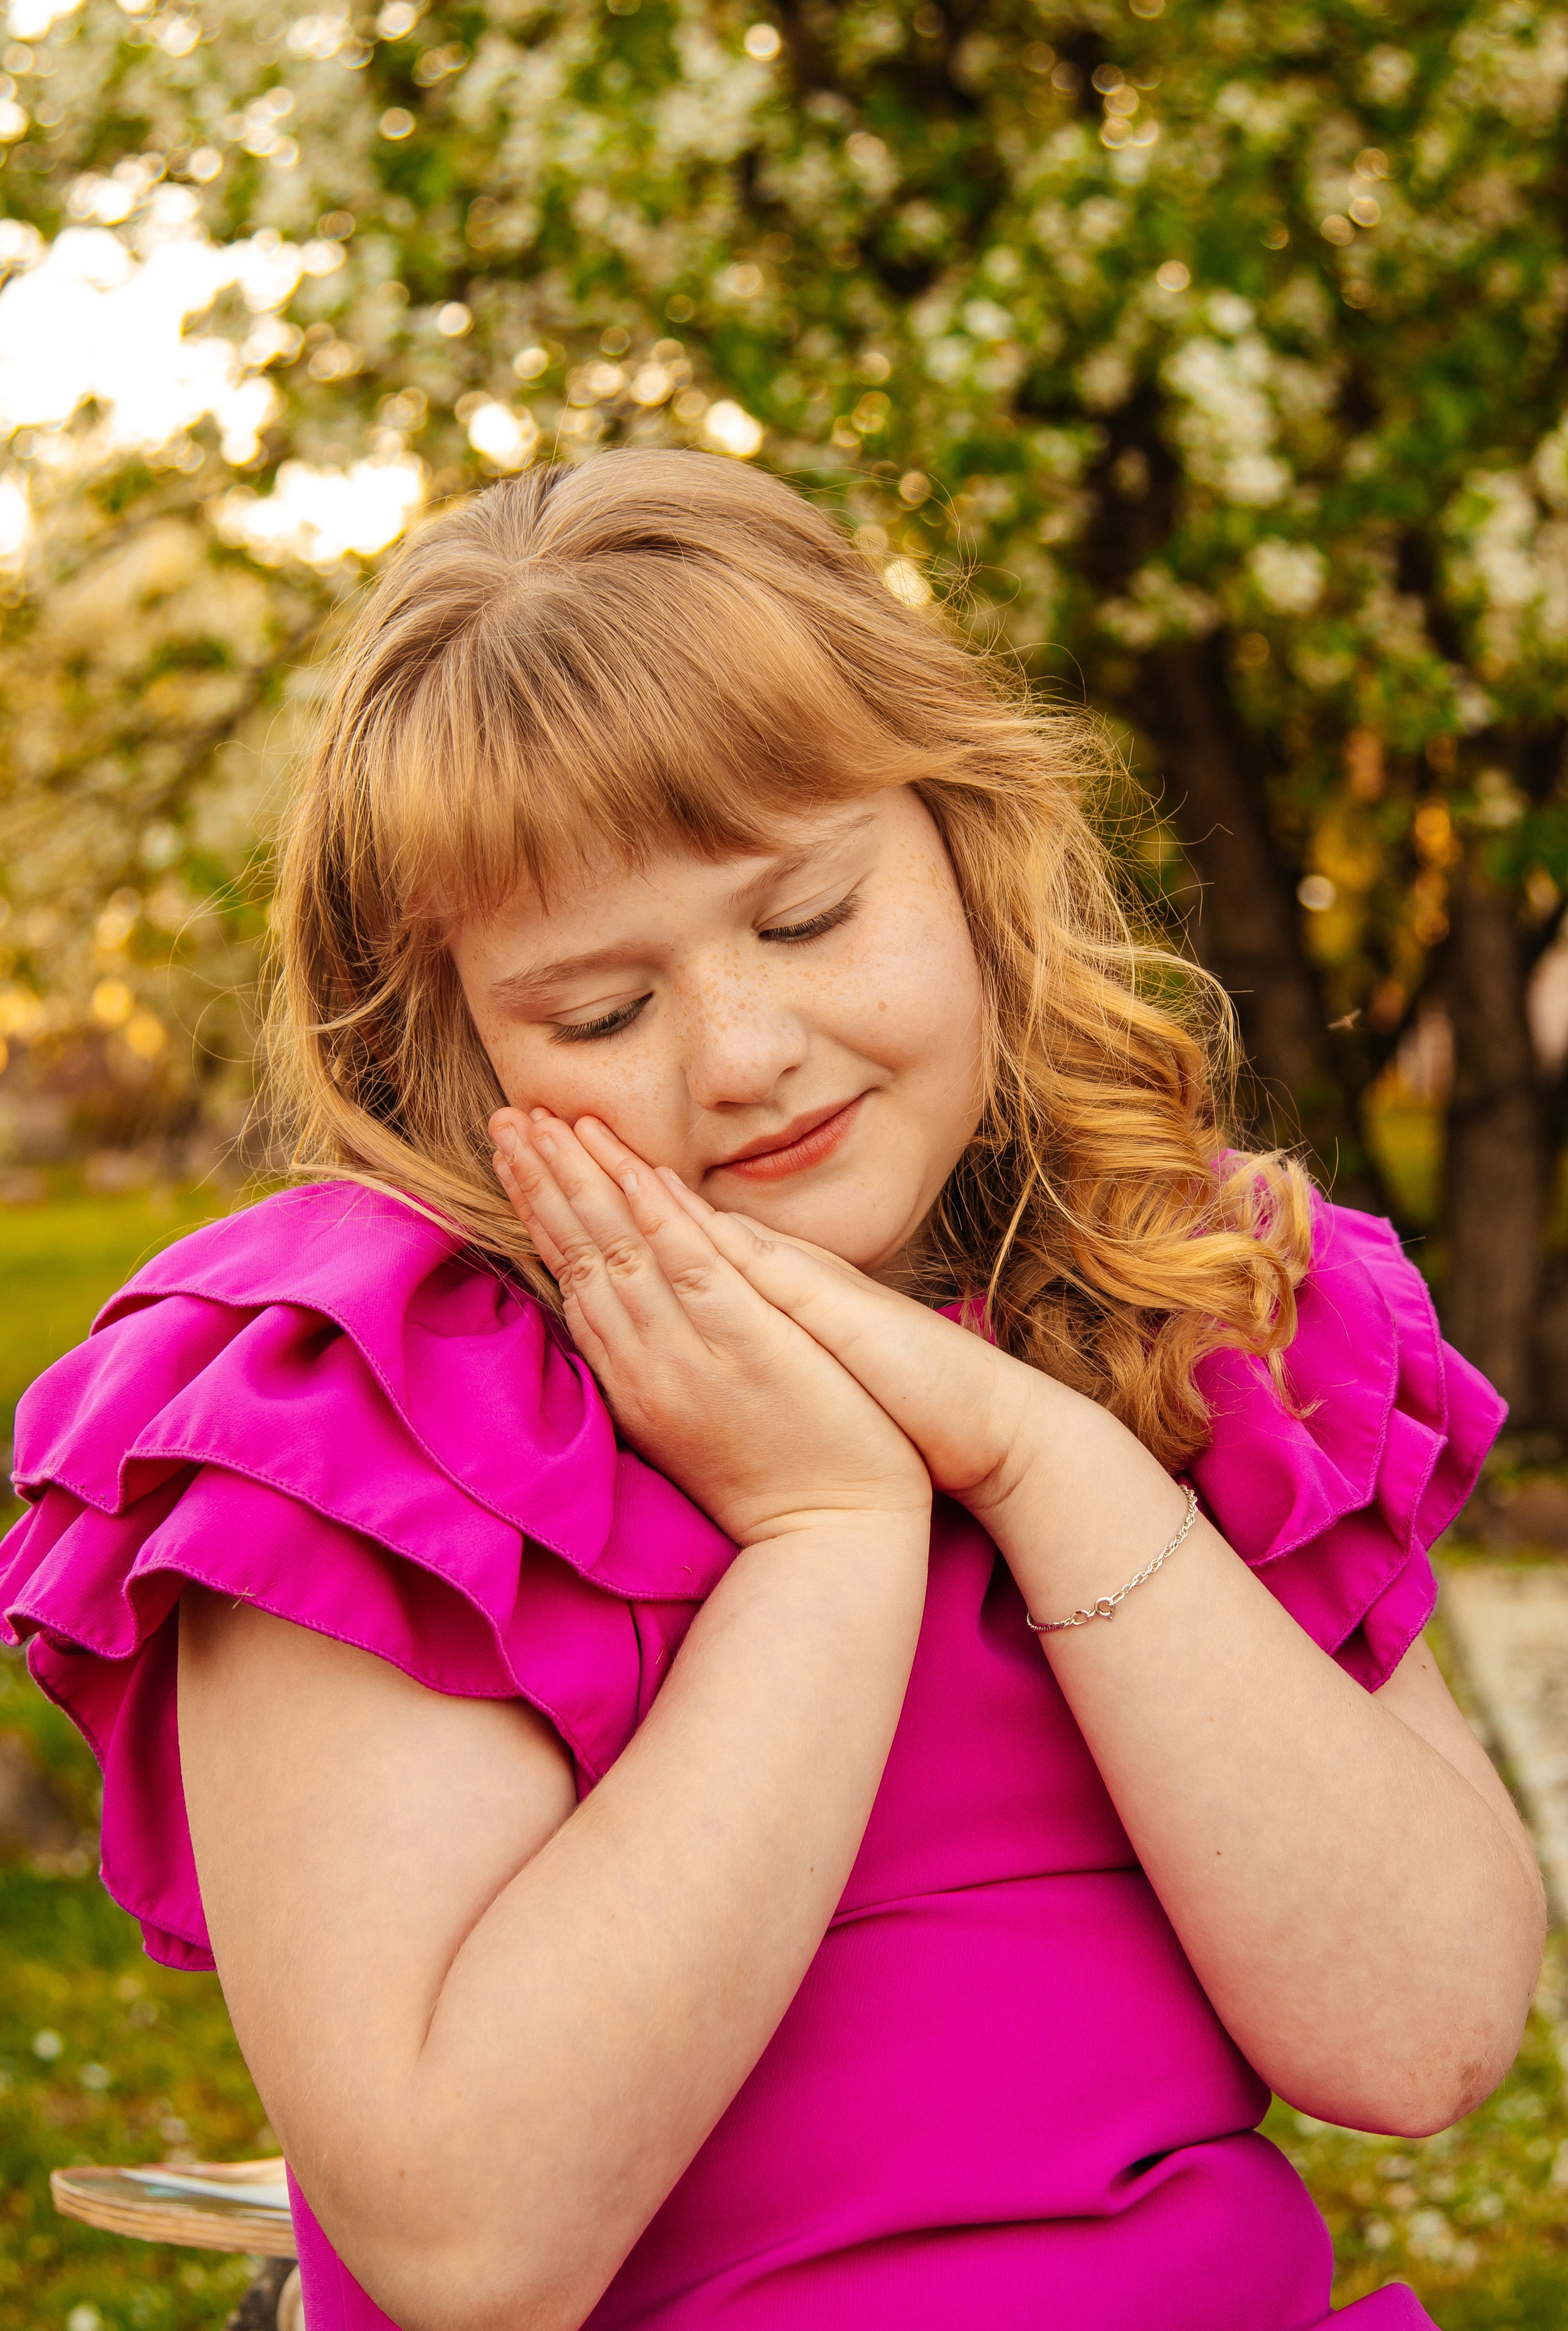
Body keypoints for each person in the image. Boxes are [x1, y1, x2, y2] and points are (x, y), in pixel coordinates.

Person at [1, 453, 1545, 2331]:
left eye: (806, 918)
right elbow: (470, 2248)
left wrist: (1031, 1449)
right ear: (446, 1046)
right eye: (600, 1013)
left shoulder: (1192, 1308)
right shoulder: (376, 1424)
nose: (745, 1054)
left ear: (966, 843)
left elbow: (1424, 2034)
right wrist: (829, 1534)